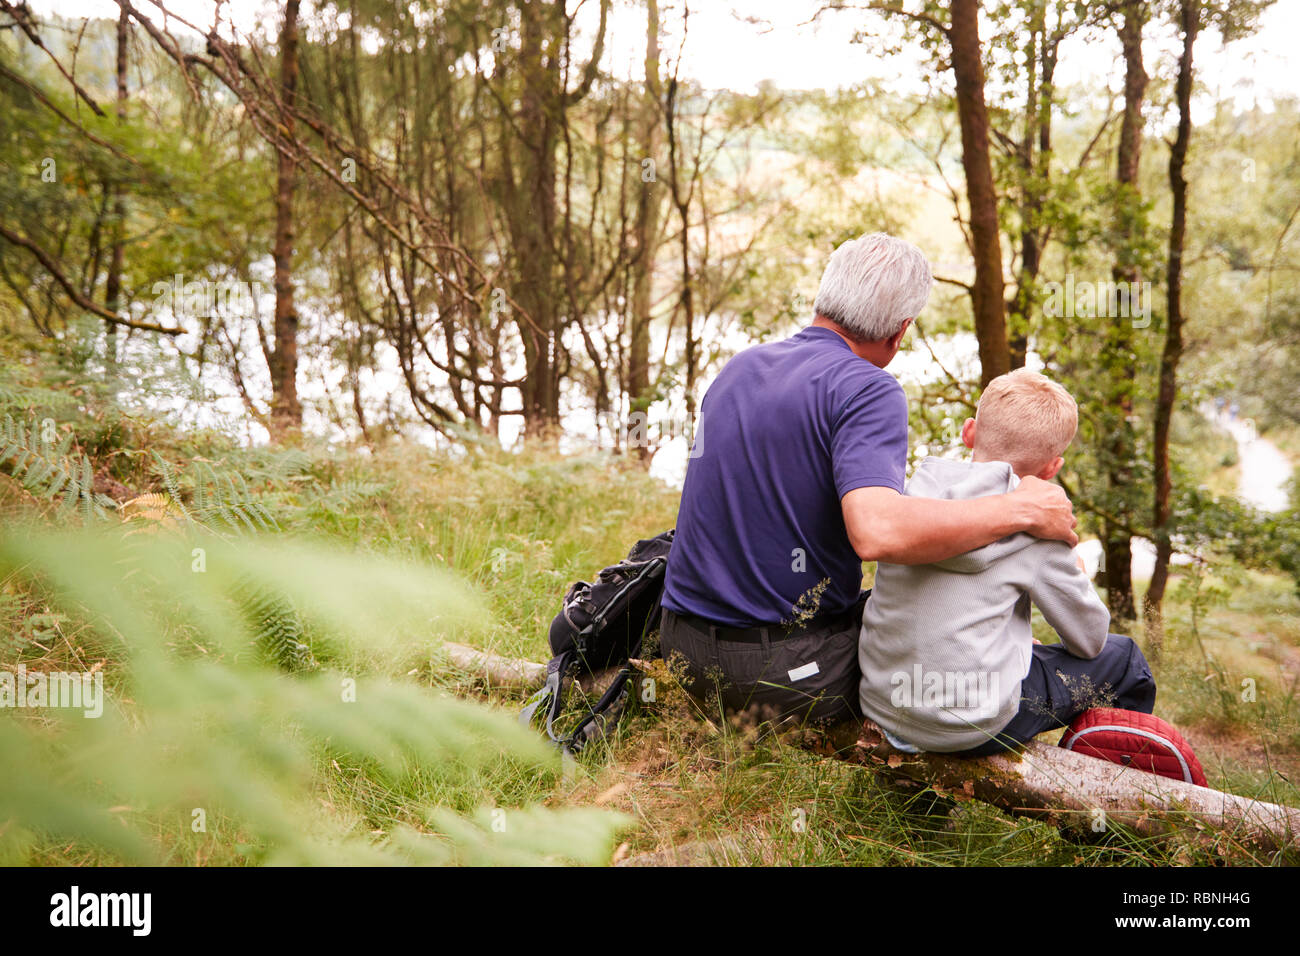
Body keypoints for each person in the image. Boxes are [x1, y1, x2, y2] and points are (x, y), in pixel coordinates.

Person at [658, 233, 1079, 727]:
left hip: (682, 650)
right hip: (776, 677)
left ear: (826, 296)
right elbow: (877, 533)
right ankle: (931, 802)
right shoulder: (868, 389)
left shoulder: (741, 367)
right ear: (900, 331)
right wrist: (1023, 508)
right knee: (1081, 664)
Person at [857, 368, 1156, 754]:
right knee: (1125, 659)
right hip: (967, 726)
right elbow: (1089, 640)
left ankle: (923, 810)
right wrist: (1077, 569)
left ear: (969, 432)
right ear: (1052, 468)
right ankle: (1113, 779)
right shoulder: (1038, 530)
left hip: (884, 703)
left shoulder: (911, 498)